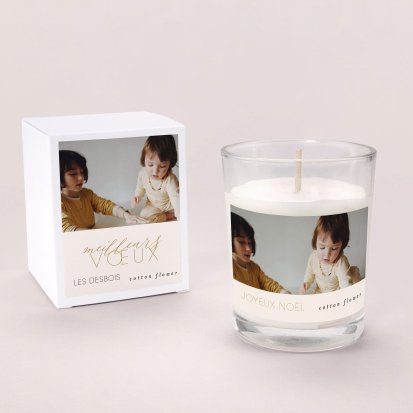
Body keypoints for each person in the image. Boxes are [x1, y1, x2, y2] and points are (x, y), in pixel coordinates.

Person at [60, 150, 143, 232]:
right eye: (73, 174)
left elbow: (105, 205)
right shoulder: (58, 203)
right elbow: (66, 229)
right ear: (58, 176)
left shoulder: (87, 194)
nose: (81, 177)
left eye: (82, 172)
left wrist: (126, 215)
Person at [231, 213, 290, 294]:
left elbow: (267, 283)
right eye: (241, 242)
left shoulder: (254, 267)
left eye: (250, 242)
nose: (248, 248)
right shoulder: (229, 269)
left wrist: (283, 292)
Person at [299, 213, 353, 294]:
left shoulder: (341, 262)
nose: (326, 255)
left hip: (337, 293)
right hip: (320, 291)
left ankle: (354, 273)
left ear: (342, 246)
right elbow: (309, 273)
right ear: (315, 242)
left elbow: (345, 284)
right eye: (322, 247)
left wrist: (345, 294)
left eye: (334, 248)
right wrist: (306, 283)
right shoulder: (313, 258)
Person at [131, 135, 179, 223]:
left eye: (162, 166)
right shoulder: (142, 174)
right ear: (144, 160)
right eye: (150, 165)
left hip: (170, 206)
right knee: (144, 217)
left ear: (170, 163)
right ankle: (166, 216)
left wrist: (180, 217)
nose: (155, 171)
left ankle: (172, 214)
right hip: (153, 204)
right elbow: (140, 188)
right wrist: (138, 196)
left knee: (183, 207)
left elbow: (176, 199)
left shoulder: (170, 179)